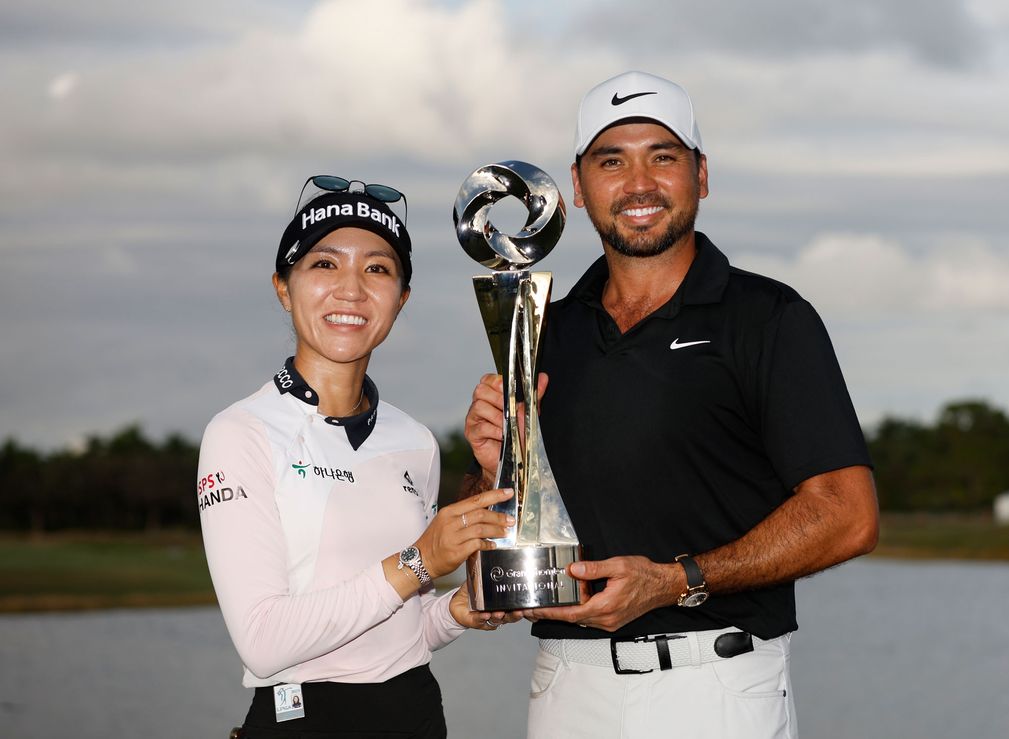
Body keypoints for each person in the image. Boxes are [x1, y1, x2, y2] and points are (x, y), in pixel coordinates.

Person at [462, 71, 880, 739]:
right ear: (577, 184)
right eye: (612, 161)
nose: (639, 183)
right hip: (566, 685)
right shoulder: (543, 331)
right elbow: (501, 543)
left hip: (714, 682)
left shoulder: (769, 319)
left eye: (663, 156)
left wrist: (678, 579)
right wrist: (495, 474)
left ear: (701, 174)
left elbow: (848, 515)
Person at [199, 175, 519, 739]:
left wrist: (455, 612)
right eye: (324, 264)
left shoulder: (414, 440)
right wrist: (420, 559)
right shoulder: (240, 432)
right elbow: (264, 641)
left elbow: (400, 630)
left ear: (402, 298)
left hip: (415, 713)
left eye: (377, 268)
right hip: (302, 720)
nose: (351, 289)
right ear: (282, 286)